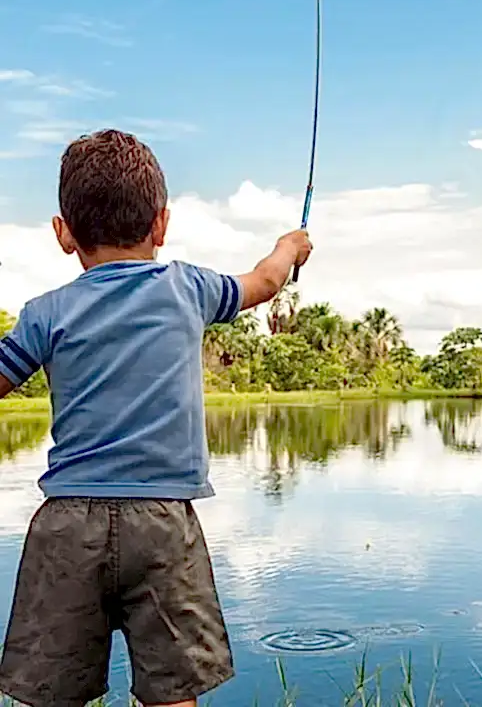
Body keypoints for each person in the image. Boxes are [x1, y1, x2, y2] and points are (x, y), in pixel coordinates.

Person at [0, 129, 313, 707]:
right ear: (162, 225)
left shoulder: (46, 313)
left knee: (50, 695)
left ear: (63, 234)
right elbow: (266, 282)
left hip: (67, 524)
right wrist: (289, 247)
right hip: (164, 521)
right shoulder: (189, 288)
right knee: (172, 695)